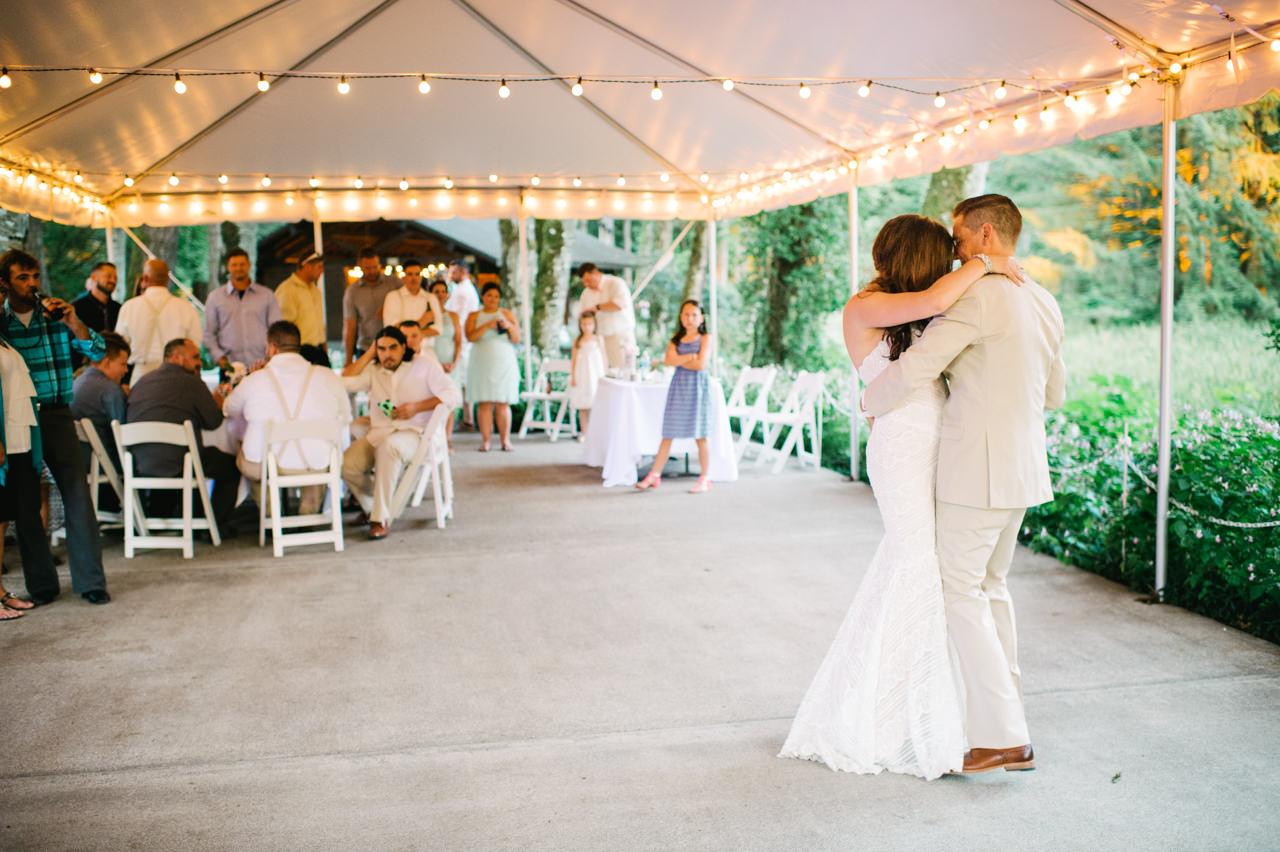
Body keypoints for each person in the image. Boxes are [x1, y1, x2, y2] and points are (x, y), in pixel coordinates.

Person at [778, 214, 1028, 779]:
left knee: (927, 570)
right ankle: (900, 720)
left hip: (943, 440)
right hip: (901, 442)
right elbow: (942, 294)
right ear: (921, 256)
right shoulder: (865, 306)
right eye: (943, 253)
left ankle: (932, 708)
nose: (950, 261)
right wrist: (988, 261)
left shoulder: (924, 306)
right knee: (917, 565)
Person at [858, 197, 1065, 775]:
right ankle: (1007, 717)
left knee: (959, 593)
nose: (953, 250)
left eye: (957, 237)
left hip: (977, 471)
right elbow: (1054, 396)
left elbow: (921, 366)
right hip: (1025, 470)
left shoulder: (976, 296)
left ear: (985, 232)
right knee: (991, 589)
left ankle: (1003, 736)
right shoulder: (1042, 298)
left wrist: (869, 400)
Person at [0, 249, 110, 605]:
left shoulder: (56, 316)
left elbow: (97, 353)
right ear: (5, 283)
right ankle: (42, 584)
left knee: (77, 494)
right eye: (22, 278)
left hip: (59, 413)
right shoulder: (1, 322)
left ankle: (91, 582)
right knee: (27, 503)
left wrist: (75, 321)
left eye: (34, 276)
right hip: (20, 419)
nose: (32, 284)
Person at [341, 326, 460, 539]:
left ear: (403, 346)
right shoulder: (374, 370)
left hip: (416, 434)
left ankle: (379, 518)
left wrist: (417, 407)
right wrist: (369, 354)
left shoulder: (424, 365)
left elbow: (453, 395)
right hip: (380, 433)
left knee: (390, 447)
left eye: (393, 348)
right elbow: (346, 380)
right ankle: (373, 506)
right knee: (347, 464)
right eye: (382, 349)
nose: (387, 354)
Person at [223, 321, 351, 515]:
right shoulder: (328, 377)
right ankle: (309, 511)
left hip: (267, 464)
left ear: (272, 347)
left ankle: (272, 513)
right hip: (317, 461)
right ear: (298, 347)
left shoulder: (255, 380)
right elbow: (345, 417)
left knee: (246, 457)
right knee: (318, 456)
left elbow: (229, 409)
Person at [126, 338, 241, 536]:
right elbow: (213, 423)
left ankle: (169, 516)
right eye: (195, 357)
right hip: (182, 464)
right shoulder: (193, 382)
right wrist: (218, 402)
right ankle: (213, 524)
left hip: (139, 464)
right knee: (231, 466)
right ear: (177, 358)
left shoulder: (141, 382)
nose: (199, 363)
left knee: (175, 456)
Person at [0, 276, 53, 617]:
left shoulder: (4, 339)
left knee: (4, 519)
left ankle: (1, 591)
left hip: (19, 441)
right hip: (3, 443)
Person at [635, 300, 714, 494]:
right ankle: (654, 475)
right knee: (668, 433)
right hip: (678, 387)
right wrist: (689, 357)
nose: (690, 319)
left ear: (701, 318)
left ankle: (705, 478)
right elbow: (668, 360)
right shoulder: (676, 338)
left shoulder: (706, 338)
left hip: (698, 389)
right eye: (686, 314)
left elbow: (701, 365)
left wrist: (682, 360)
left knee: (701, 434)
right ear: (681, 317)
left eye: (694, 315)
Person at [115, 258, 202, 381]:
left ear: (145, 278)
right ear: (167, 278)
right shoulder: (186, 308)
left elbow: (120, 346)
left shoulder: (129, 307)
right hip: (176, 375)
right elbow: (194, 345)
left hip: (141, 375)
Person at [203, 247, 282, 372]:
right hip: (230, 367)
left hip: (261, 365)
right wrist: (219, 358)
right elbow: (208, 334)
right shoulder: (215, 297)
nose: (238, 268)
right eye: (234, 265)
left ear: (249, 265)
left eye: (242, 264)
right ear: (228, 267)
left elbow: (277, 330)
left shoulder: (266, 295)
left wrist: (271, 357)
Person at [465, 283, 521, 452]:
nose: (492, 299)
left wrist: (509, 326)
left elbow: (517, 339)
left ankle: (505, 440)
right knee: (484, 402)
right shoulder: (474, 315)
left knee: (503, 402)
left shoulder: (507, 314)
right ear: (483, 297)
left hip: (503, 361)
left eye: (496, 296)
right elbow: (470, 336)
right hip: (481, 361)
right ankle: (486, 440)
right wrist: (486, 325)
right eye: (489, 295)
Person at [72, 330, 131, 471]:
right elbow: (124, 432)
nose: (126, 370)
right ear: (106, 363)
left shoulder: (77, 381)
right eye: (123, 364)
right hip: (103, 463)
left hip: (80, 460)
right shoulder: (110, 390)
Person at [576, 262, 636, 370]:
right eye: (583, 282)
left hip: (619, 336)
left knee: (621, 370)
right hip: (598, 338)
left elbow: (620, 304)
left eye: (588, 280)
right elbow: (582, 314)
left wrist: (597, 307)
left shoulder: (615, 283)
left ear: (596, 273)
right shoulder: (586, 293)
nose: (586, 284)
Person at [342, 248, 396, 366]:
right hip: (366, 348)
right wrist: (348, 360)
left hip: (393, 348)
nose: (372, 271)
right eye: (367, 268)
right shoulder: (352, 292)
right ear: (360, 266)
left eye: (375, 267)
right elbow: (350, 327)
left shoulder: (394, 283)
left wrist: (388, 309)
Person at [443, 259, 480, 426]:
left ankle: (467, 418)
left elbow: (458, 316)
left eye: (453, 272)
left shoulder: (464, 292)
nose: (451, 275)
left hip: (463, 341)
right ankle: (465, 418)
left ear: (463, 272)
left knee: (463, 379)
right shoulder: (459, 289)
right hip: (461, 340)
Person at [428, 279, 460, 451]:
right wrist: (438, 364)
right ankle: (434, 437)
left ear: (447, 295)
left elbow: (459, 340)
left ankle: (447, 438)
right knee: (433, 398)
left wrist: (454, 361)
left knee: (450, 400)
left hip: (450, 361)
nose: (440, 295)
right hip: (433, 360)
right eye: (436, 292)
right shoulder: (428, 315)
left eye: (443, 292)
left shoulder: (453, 316)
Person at [275, 251, 327, 348]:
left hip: (318, 348)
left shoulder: (316, 291)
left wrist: (324, 348)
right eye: (319, 267)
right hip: (299, 349)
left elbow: (320, 325)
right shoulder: (287, 289)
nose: (322, 271)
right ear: (307, 266)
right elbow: (284, 326)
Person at [568, 310, 605, 440]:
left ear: (594, 324)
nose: (587, 327)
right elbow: (573, 360)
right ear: (580, 325)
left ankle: (596, 433)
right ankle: (584, 433)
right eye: (584, 324)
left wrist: (605, 374)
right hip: (581, 374)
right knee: (582, 405)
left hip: (595, 375)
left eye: (589, 324)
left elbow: (603, 358)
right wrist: (573, 376)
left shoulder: (598, 339)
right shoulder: (577, 341)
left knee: (595, 403)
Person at [382, 258, 442, 333]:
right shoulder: (393, 297)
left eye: (417, 274)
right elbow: (390, 327)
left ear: (421, 277)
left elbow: (438, 329)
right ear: (403, 277)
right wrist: (421, 322)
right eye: (410, 274)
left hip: (427, 344)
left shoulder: (431, 297)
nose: (414, 278)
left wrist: (417, 334)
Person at [71, 261, 121, 335]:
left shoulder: (118, 309)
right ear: (94, 277)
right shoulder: (77, 308)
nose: (113, 281)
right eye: (108, 276)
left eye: (115, 278)